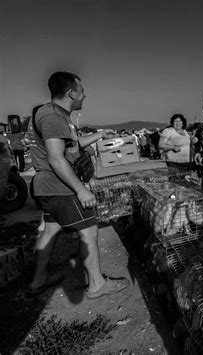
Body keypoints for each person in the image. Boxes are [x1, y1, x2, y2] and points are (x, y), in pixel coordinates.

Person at [26, 71, 129, 298]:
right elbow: (56, 158)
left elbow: (72, 145)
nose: (85, 95)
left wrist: (100, 135)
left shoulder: (56, 115)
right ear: (71, 93)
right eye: (82, 91)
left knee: (50, 231)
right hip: (60, 187)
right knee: (89, 231)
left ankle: (38, 280)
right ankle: (96, 285)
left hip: (48, 188)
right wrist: (81, 190)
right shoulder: (53, 117)